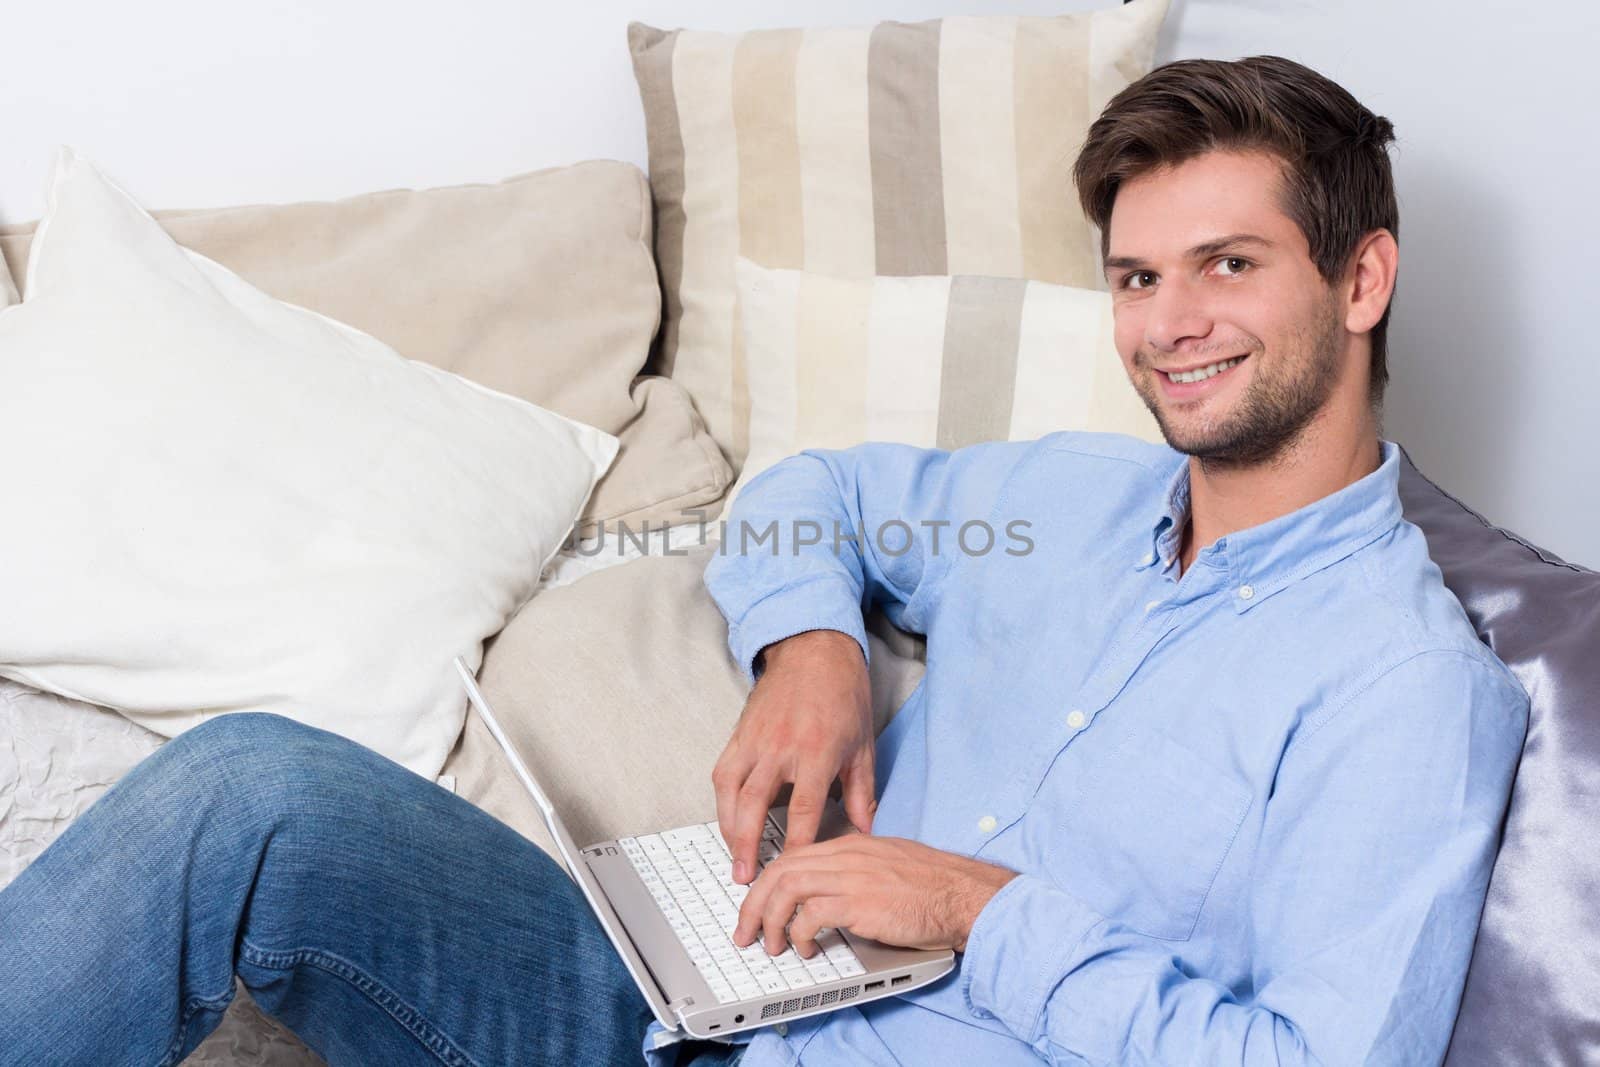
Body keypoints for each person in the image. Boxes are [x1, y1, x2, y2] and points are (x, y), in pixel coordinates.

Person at [0, 55, 1527, 1067]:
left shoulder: (1405, 691)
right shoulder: (1069, 500)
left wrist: (981, 911)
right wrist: (814, 652)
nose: (1171, 322)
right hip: (702, 1018)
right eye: (1138, 276)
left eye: (1229, 266)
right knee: (257, 791)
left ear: (1362, 276)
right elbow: (815, 492)